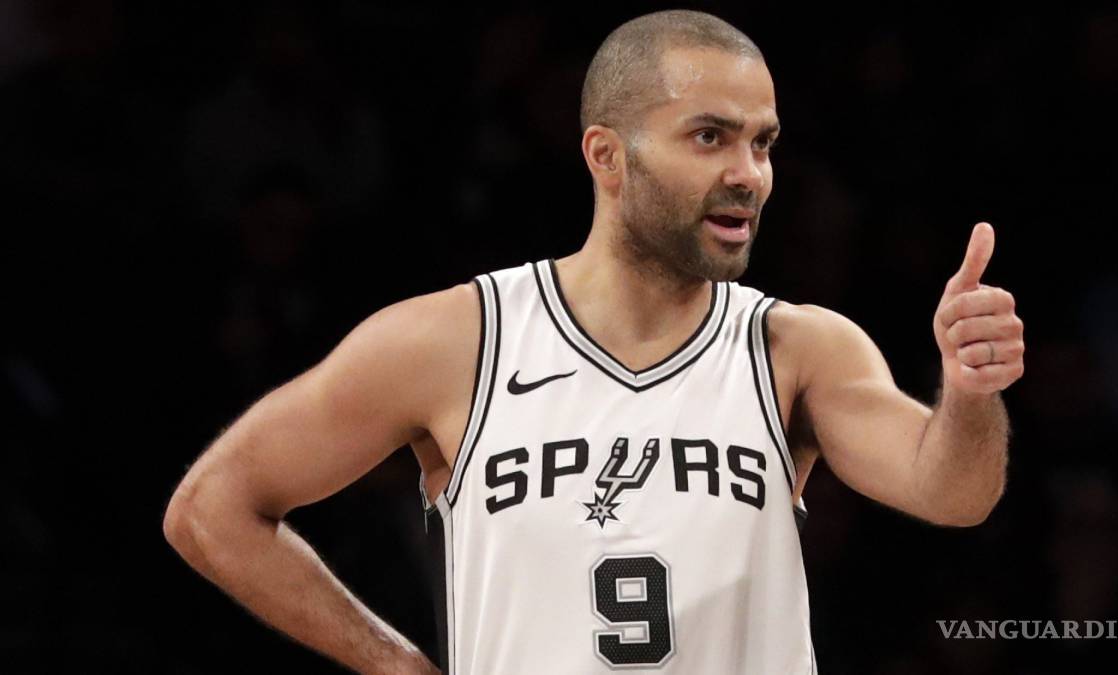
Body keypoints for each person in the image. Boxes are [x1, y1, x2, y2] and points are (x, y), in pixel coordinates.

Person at [163, 9, 1023, 674]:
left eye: (763, 142)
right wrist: (402, 666)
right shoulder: (456, 340)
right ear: (607, 156)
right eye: (710, 135)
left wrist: (971, 391)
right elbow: (212, 509)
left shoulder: (796, 347)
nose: (748, 172)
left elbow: (954, 493)